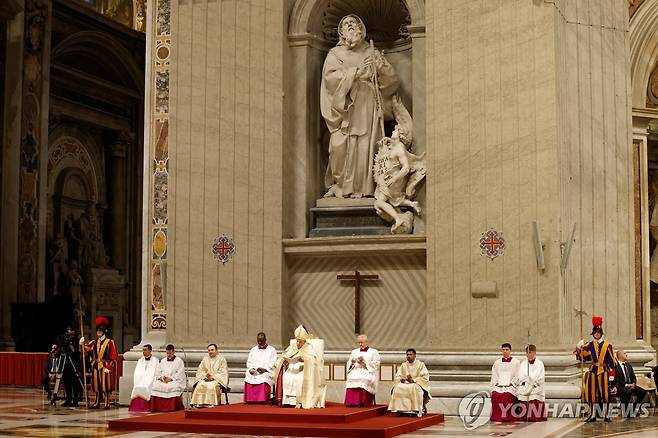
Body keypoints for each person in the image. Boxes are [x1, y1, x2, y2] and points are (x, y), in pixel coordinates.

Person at [320, 14, 400, 199]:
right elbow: (330, 79)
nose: (350, 26)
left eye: (353, 24)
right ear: (341, 32)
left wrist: (379, 68)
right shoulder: (335, 55)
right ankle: (341, 186)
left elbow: (392, 82)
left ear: (360, 29)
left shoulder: (372, 52)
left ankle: (367, 188)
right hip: (346, 109)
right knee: (339, 147)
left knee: (366, 145)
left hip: (368, 105)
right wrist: (355, 73)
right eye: (345, 24)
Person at [575, 316, 617, 422]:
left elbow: (612, 361)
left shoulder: (608, 345)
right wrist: (578, 347)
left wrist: (611, 374)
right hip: (593, 370)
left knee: (605, 393)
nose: (596, 334)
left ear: (601, 333)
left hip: (604, 370)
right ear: (593, 334)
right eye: (595, 333)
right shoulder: (589, 345)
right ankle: (593, 415)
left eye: (598, 332)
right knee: (592, 393)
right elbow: (582, 356)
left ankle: (606, 415)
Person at [273, 325, 326, 408]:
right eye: (297, 341)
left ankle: (299, 401)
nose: (298, 343)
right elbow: (284, 355)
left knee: (298, 378)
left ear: (304, 341)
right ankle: (286, 401)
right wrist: (285, 361)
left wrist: (305, 360)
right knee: (286, 376)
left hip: (302, 371)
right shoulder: (293, 346)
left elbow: (314, 361)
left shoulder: (309, 348)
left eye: (300, 342)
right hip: (291, 369)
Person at [81, 316, 118, 409]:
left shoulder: (109, 342)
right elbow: (87, 349)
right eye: (97, 331)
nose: (98, 332)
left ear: (104, 332)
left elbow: (113, 357)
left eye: (100, 331)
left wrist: (109, 367)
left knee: (106, 385)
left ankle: (107, 402)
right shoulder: (94, 342)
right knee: (96, 385)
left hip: (105, 365)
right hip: (96, 365)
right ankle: (97, 401)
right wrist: (81, 344)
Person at [388, 348, 431, 417]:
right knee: (397, 387)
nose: (408, 356)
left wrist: (413, 380)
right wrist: (401, 379)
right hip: (405, 383)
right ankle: (400, 410)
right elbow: (398, 376)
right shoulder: (404, 365)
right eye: (407, 355)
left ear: (415, 355)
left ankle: (416, 410)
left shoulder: (420, 365)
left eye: (410, 354)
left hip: (416, 384)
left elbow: (425, 377)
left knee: (415, 388)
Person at [345, 334, 380, 407]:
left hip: (367, 371)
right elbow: (349, 362)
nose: (360, 344)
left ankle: (362, 402)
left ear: (366, 342)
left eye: (362, 342)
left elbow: (376, 364)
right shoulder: (354, 351)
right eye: (359, 342)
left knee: (363, 379)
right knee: (351, 377)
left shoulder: (373, 352)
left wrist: (365, 363)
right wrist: (352, 362)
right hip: (356, 369)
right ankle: (352, 402)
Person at [150, 344, 186, 411]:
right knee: (155, 385)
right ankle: (156, 407)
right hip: (163, 380)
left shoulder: (179, 361)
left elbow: (180, 374)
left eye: (170, 353)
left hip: (174, 380)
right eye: (167, 353)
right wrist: (161, 378)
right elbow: (158, 372)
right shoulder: (163, 361)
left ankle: (172, 407)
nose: (168, 355)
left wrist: (171, 379)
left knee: (172, 387)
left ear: (173, 352)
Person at [490, 342, 520, 422]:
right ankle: (496, 417)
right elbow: (494, 375)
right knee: (495, 395)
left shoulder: (516, 362)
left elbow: (518, 375)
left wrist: (511, 383)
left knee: (507, 395)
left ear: (510, 351)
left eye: (507, 349)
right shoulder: (497, 362)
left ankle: (508, 417)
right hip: (499, 386)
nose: (505, 351)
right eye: (503, 350)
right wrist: (497, 383)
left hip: (510, 386)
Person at [515, 344, 546, 421]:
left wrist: (532, 382)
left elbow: (540, 377)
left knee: (534, 395)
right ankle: (523, 416)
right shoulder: (523, 364)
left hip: (536, 386)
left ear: (534, 353)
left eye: (530, 352)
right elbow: (520, 376)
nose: (528, 354)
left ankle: (534, 416)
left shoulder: (539, 364)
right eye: (527, 352)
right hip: (525, 385)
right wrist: (526, 380)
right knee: (522, 393)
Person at [244, 332, 277, 403]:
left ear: (265, 339)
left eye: (261, 341)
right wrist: (251, 369)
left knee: (264, 376)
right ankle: (250, 399)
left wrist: (265, 369)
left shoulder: (272, 350)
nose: (260, 342)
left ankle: (262, 399)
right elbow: (250, 361)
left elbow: (273, 362)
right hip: (255, 371)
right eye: (258, 341)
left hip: (266, 371)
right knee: (248, 374)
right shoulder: (253, 350)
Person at [613, 349, 646, 419]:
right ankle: (627, 413)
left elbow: (633, 376)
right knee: (627, 391)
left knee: (642, 392)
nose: (626, 355)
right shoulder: (615, 366)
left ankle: (633, 409)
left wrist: (633, 383)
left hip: (631, 385)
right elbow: (616, 379)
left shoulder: (628, 365)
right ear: (620, 355)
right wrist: (626, 385)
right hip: (621, 386)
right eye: (625, 353)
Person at [56, 326, 82, 407]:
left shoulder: (76, 340)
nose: (71, 332)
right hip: (66, 364)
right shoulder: (65, 339)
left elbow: (77, 352)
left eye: (72, 330)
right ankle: (68, 399)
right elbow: (60, 346)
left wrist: (72, 348)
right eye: (69, 330)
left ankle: (75, 400)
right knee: (67, 383)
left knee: (75, 383)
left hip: (74, 364)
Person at [128, 344, 159, 412]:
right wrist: (138, 382)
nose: (143, 352)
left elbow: (156, 372)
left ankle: (147, 407)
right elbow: (137, 372)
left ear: (150, 351)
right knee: (137, 387)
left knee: (147, 386)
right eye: (143, 350)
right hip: (141, 380)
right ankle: (136, 407)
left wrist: (149, 380)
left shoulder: (155, 360)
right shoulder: (140, 360)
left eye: (145, 350)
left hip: (151, 380)